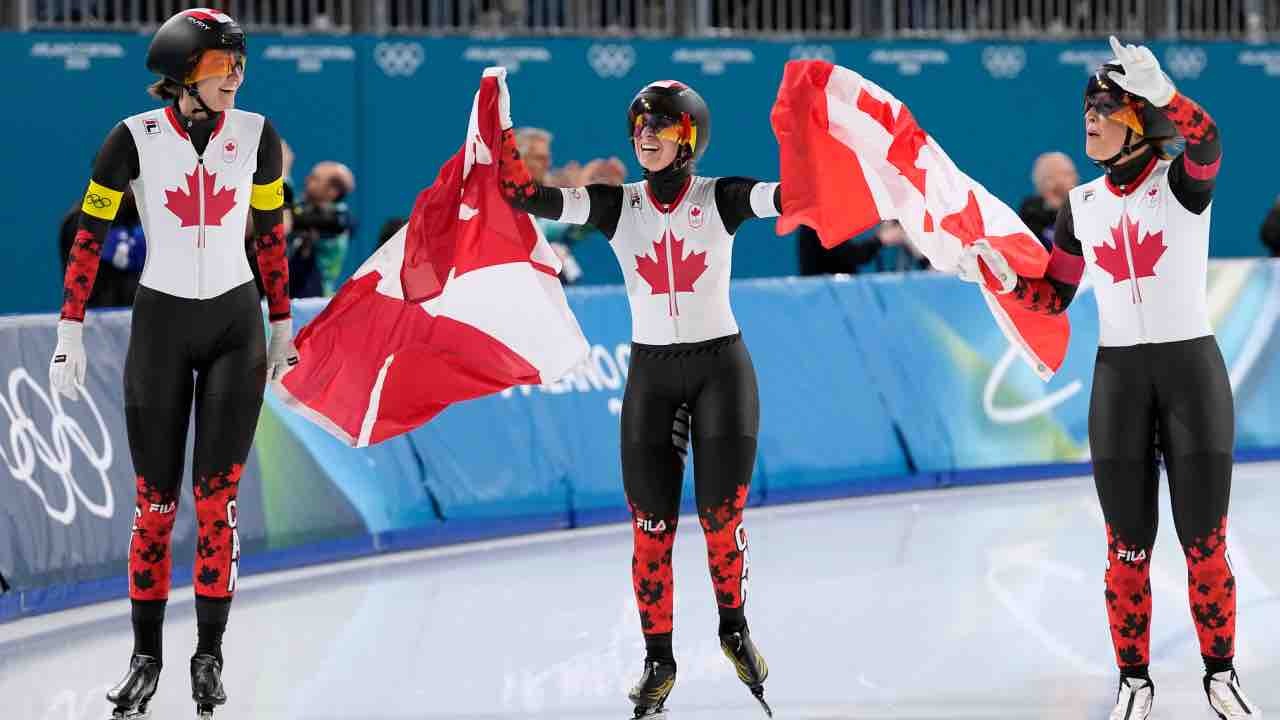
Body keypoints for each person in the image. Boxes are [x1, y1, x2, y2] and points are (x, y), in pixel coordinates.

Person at [978, 37, 1258, 720]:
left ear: (1141, 121)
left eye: (1105, 108)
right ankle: (1134, 681)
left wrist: (1167, 93)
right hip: (1120, 381)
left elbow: (1209, 137)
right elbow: (1055, 297)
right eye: (1086, 109)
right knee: (1126, 551)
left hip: (1191, 372)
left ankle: (1220, 675)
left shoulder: (1184, 182)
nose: (1089, 119)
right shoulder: (1079, 206)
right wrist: (1004, 276)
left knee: (1206, 547)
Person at [496, 72, 778, 718]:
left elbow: (791, 200)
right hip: (652, 374)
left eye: (661, 126)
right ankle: (658, 661)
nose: (646, 136)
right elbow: (525, 197)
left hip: (721, 373)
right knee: (650, 531)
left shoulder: (723, 196)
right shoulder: (614, 203)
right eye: (639, 126)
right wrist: (500, 128)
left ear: (690, 138)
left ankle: (733, 628)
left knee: (719, 522)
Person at [47, 9, 296, 719]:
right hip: (160, 326)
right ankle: (145, 659)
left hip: (234, 327)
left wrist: (281, 325)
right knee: (155, 510)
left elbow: (271, 238)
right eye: (223, 67)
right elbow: (89, 237)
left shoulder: (257, 137)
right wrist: (70, 328)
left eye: (241, 67)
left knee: (216, 505)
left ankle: (209, 657)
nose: (235, 79)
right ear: (185, 71)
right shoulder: (132, 138)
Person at [1019, 151, 1078, 249]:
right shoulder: (1031, 212)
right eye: (1067, 174)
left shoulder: (1082, 208)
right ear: (1049, 180)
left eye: (1073, 173)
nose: (1075, 177)